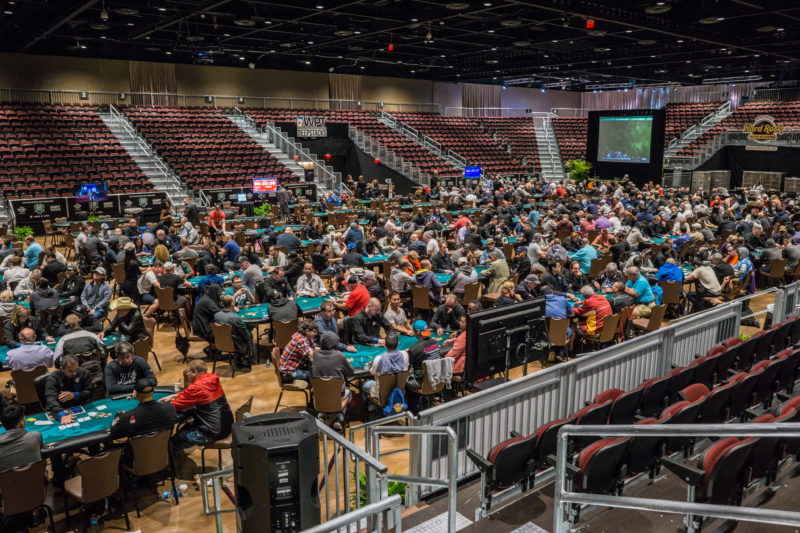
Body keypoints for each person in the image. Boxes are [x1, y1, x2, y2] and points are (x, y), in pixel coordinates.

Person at [160, 360, 234, 450]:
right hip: (226, 426)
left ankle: (167, 462)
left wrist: (158, 406)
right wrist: (175, 395)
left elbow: (176, 406)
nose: (186, 374)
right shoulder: (212, 379)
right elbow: (198, 393)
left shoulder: (196, 388)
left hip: (212, 432)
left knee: (174, 442)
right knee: (186, 427)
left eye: (188, 371)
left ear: (195, 372)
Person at [311, 331, 355, 430]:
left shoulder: (315, 354)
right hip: (338, 393)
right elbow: (351, 372)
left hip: (319, 393)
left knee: (323, 391)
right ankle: (339, 419)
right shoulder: (340, 356)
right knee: (348, 391)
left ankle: (321, 415)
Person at [109, 378, 177, 440]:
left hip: (137, 453)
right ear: (153, 391)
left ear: (135, 394)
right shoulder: (169, 407)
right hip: (164, 450)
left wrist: (118, 415)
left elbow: (113, 433)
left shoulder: (127, 417)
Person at [362, 333, 410, 404]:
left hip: (381, 394)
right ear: (398, 344)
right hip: (399, 392)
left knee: (363, 384)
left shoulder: (379, 359)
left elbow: (372, 373)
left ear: (384, 344)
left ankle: (370, 407)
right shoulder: (405, 355)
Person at [44, 354, 91, 423]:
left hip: (79, 406)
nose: (74, 373)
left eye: (76, 370)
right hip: (60, 408)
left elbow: (89, 391)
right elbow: (51, 399)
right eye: (71, 371)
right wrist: (62, 415)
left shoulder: (83, 373)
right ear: (62, 369)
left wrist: (74, 395)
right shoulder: (53, 378)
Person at [0, 402, 42, 473]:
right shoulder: (35, 436)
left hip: (7, 483)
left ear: (3, 425)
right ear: (22, 422)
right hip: (37, 481)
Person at [213, 294, 253, 369]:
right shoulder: (235, 318)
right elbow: (244, 333)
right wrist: (249, 339)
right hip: (235, 345)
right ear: (232, 303)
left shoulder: (216, 315)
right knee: (249, 335)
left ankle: (239, 359)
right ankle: (247, 360)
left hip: (219, 342)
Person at [406, 320, 441, 391]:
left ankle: (413, 401)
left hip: (422, 381)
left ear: (418, 332)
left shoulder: (414, 349)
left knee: (403, 378)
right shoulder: (435, 342)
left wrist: (408, 352)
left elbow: (406, 369)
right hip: (436, 378)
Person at [279, 320, 318, 384]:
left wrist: (327, 350)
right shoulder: (300, 340)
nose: (316, 334)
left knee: (314, 371)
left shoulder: (306, 337)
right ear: (307, 331)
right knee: (315, 376)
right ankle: (294, 379)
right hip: (288, 372)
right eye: (314, 332)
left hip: (296, 368)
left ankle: (299, 380)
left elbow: (315, 348)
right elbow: (313, 355)